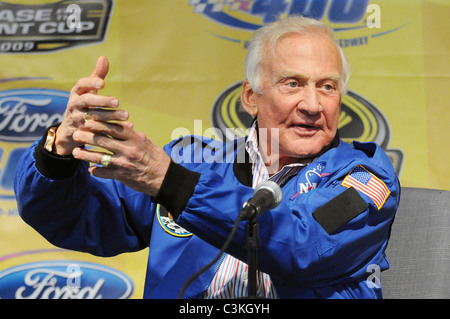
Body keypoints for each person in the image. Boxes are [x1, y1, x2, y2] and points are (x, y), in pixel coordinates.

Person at [14, 16, 400, 299]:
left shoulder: (365, 176)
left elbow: (305, 244)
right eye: (293, 83)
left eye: (327, 87)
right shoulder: (194, 159)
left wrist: (173, 185)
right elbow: (82, 221)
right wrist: (58, 156)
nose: (313, 105)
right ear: (251, 97)